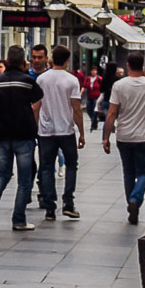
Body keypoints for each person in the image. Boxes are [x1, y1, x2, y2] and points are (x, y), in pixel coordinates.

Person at [0, 46, 43, 232]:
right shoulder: (28, 82)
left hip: (2, 136)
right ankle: (19, 219)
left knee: (2, 174)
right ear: (23, 63)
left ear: (5, 61)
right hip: (24, 135)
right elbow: (37, 98)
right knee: (24, 180)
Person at [103, 52, 145, 224]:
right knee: (143, 172)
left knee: (128, 172)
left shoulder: (119, 85)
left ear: (127, 65)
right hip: (143, 136)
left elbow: (112, 112)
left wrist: (106, 137)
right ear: (142, 65)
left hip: (124, 136)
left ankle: (131, 202)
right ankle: (136, 199)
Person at [34, 45, 85, 221]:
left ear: (51, 59)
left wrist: (35, 126)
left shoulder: (41, 79)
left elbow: (36, 105)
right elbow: (76, 108)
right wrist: (82, 132)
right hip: (66, 130)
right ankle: (68, 203)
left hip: (46, 130)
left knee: (47, 168)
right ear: (67, 60)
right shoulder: (72, 80)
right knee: (71, 165)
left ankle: (49, 207)